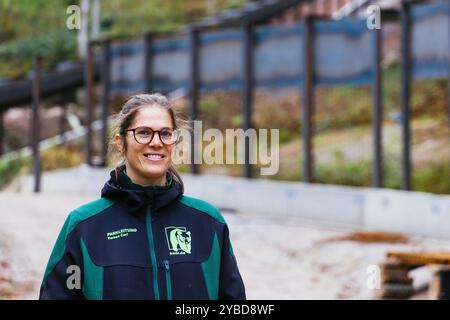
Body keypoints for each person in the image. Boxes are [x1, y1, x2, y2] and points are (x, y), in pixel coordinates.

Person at [39, 93, 246, 300]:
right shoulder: (84, 226)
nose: (156, 142)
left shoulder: (208, 222)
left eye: (166, 133)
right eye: (144, 133)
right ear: (120, 142)